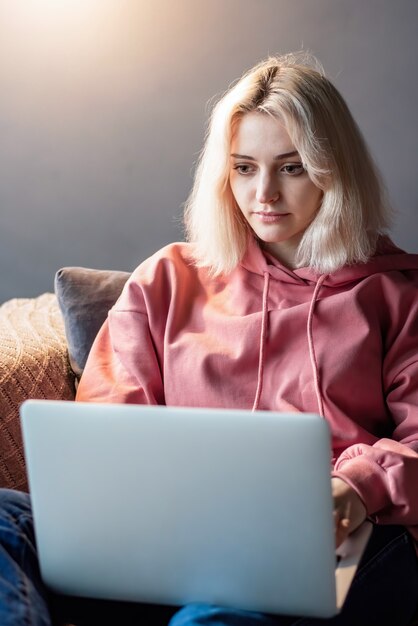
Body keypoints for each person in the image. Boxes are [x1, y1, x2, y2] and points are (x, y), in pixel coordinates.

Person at [1, 52, 418, 626]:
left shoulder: (396, 295)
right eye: (244, 167)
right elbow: (108, 430)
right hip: (174, 527)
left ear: (333, 168)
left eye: (291, 167)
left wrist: (357, 486)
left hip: (333, 535)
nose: (264, 193)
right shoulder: (168, 279)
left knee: (216, 609)